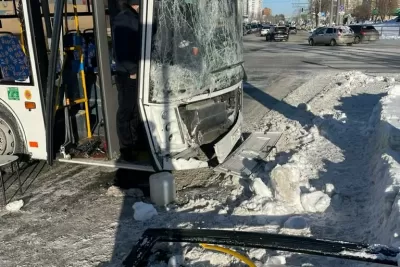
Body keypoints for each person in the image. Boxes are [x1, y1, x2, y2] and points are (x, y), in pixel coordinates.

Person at [112, 0, 141, 161]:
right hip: (128, 73)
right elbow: (122, 49)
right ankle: (126, 149)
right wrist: (132, 70)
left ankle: (135, 143)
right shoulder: (125, 18)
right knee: (126, 110)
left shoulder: (134, 17)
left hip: (136, 71)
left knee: (135, 109)